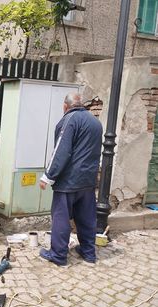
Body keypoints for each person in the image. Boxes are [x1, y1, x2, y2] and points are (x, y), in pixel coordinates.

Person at [39, 93, 103, 266]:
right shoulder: (95, 122)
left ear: (65, 106)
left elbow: (61, 151)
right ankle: (89, 253)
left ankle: (59, 256)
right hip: (88, 181)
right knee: (87, 218)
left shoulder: (69, 120)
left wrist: (48, 176)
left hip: (68, 182)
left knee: (61, 217)